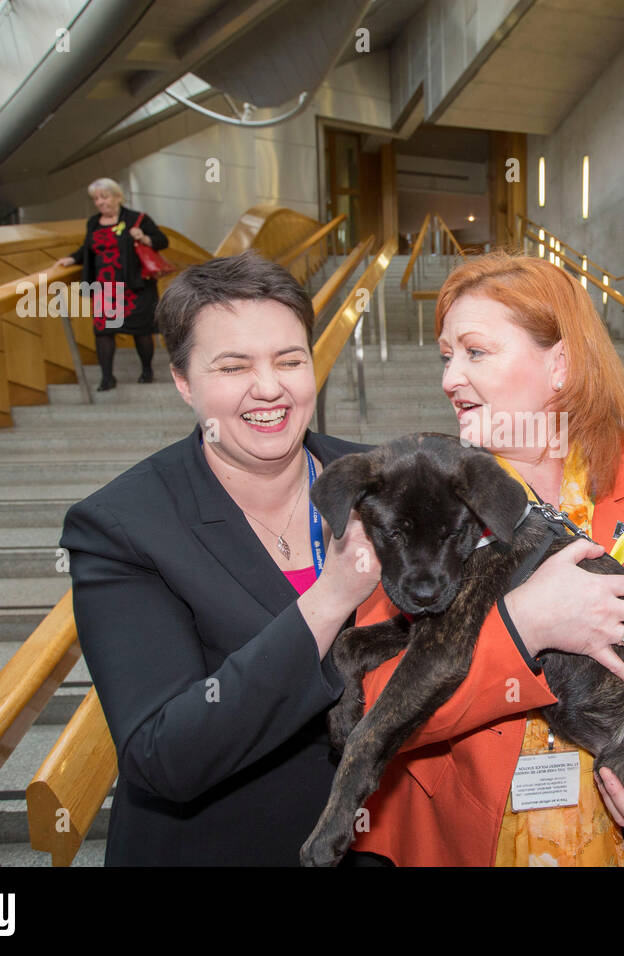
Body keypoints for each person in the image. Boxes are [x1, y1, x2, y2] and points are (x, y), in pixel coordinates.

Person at [349, 253, 624, 866]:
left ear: (561, 363)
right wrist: (523, 629)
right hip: (475, 845)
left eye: (475, 352)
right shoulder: (425, 495)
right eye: (445, 356)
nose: (448, 379)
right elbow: (375, 705)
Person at [59, 251, 381, 864]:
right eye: (233, 367)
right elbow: (166, 755)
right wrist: (332, 595)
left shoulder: (380, 478)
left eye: (290, 360)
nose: (269, 388)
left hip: (376, 842)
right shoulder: (125, 527)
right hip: (224, 845)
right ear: (183, 382)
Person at [55, 177, 169, 391]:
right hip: (105, 287)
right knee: (103, 331)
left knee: (141, 330)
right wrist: (72, 258)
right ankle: (107, 377)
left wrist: (144, 237)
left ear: (117, 197)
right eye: (96, 199)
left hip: (135, 285)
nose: (100, 202)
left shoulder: (137, 219)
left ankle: (147, 370)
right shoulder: (93, 222)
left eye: (104, 197)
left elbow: (163, 241)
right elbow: (87, 248)